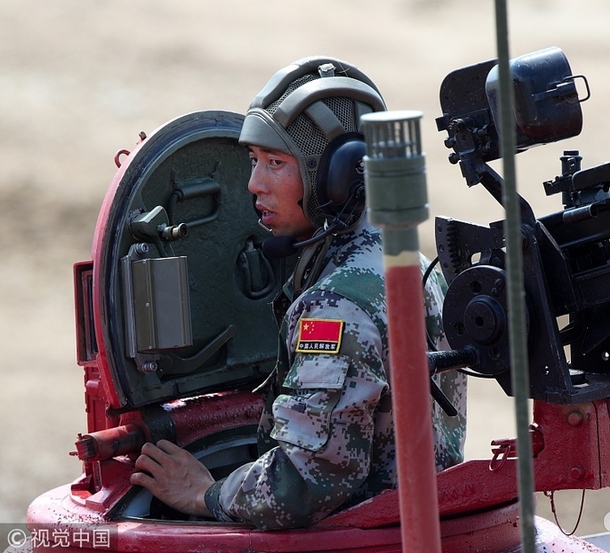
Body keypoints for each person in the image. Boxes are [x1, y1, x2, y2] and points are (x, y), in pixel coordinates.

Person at [129, 56, 467, 530]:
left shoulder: (338, 304)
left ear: (337, 176)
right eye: (252, 161)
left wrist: (205, 493)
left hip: (364, 536)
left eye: (275, 163)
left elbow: (306, 482)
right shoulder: (407, 257)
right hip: (415, 520)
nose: (253, 185)